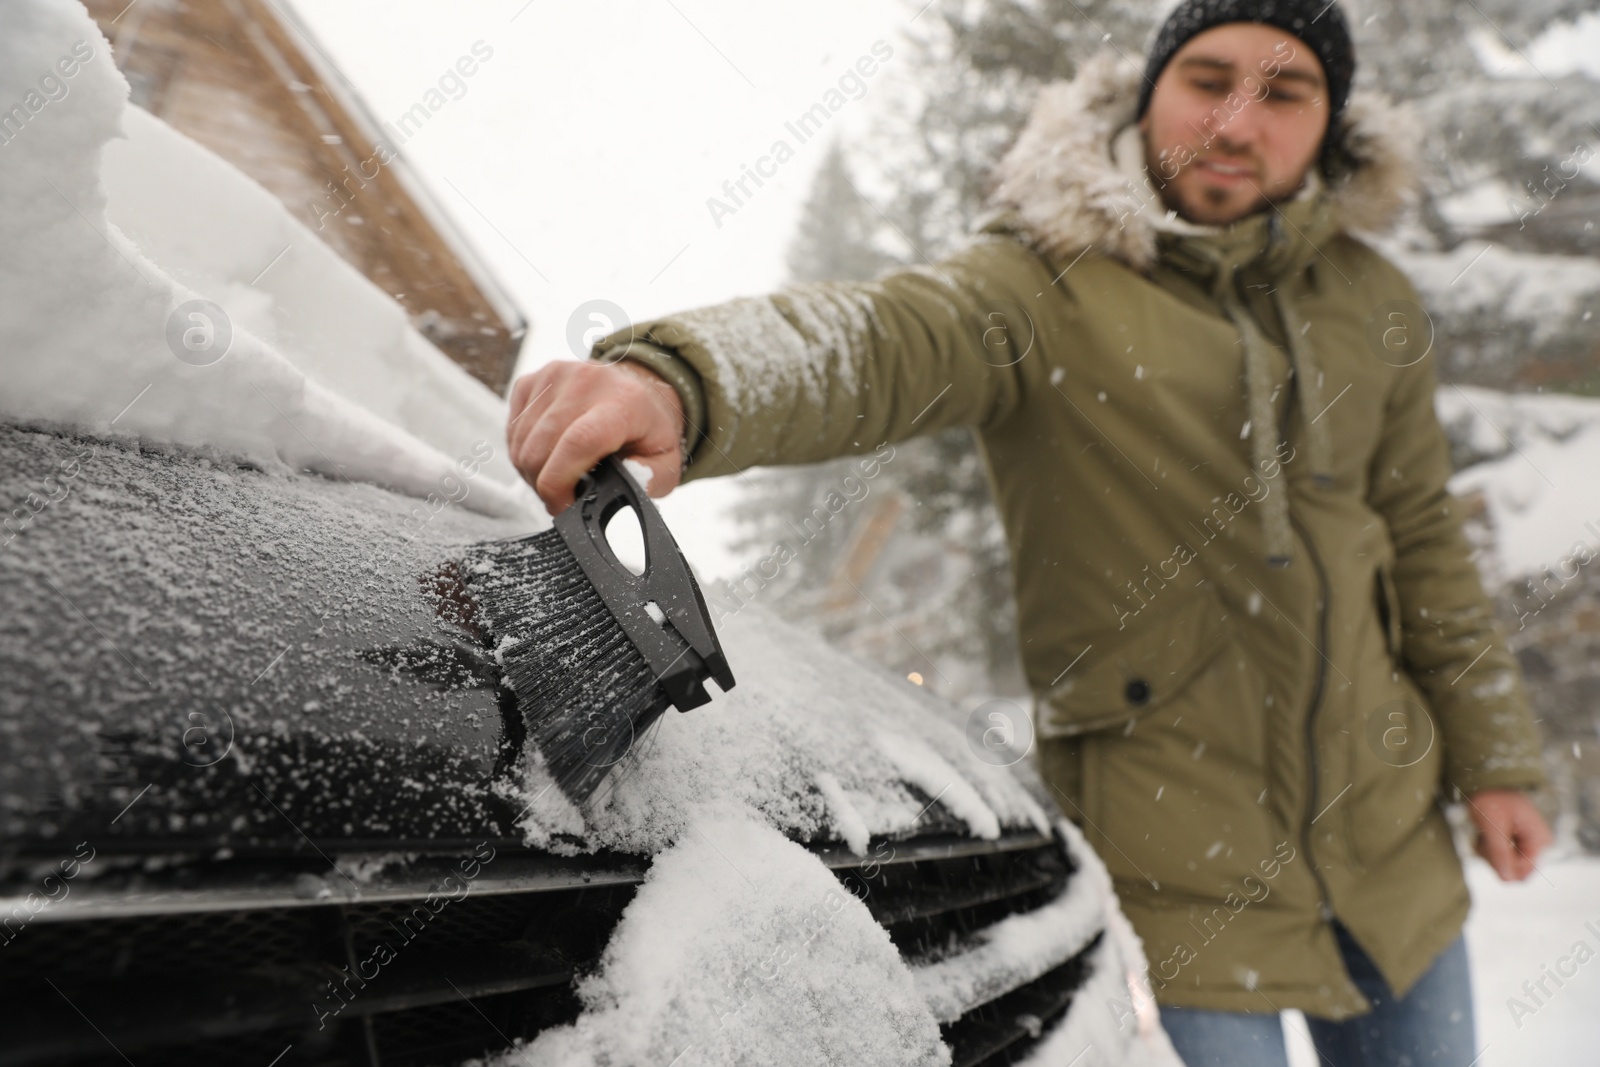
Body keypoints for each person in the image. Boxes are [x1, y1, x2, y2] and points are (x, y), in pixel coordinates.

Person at [503, 1, 1553, 1063]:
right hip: (1175, 861)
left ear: (1331, 125)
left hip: (1393, 854)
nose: (1238, 124)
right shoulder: (1046, 277)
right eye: (1207, 80)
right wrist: (684, 380)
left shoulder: (1371, 298)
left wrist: (1496, 758)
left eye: (1285, 93)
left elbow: (1422, 543)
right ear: (1148, 95)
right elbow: (879, 339)